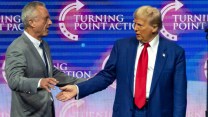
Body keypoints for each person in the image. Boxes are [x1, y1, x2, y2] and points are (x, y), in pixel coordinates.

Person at [56, 6, 187, 117]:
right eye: (134, 23)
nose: (135, 28)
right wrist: (78, 88)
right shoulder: (122, 47)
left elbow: (179, 93)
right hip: (126, 111)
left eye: (140, 25)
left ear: (154, 27)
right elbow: (105, 76)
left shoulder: (175, 52)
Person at [5, 1, 85, 117]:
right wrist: (39, 82)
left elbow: (53, 75)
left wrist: (90, 82)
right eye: (46, 19)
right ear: (32, 22)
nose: (50, 22)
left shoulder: (44, 45)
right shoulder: (17, 48)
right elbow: (14, 80)